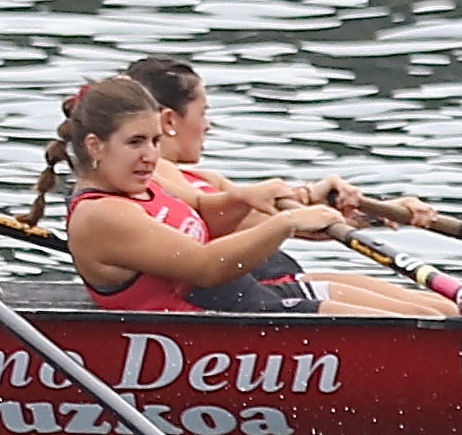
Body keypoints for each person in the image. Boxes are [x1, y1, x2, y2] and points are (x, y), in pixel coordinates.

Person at [41, 71, 423, 316]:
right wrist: (287, 221)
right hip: (230, 330)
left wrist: (248, 199)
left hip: (255, 304)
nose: (151, 155)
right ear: (95, 146)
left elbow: (206, 213)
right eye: (136, 142)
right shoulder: (101, 214)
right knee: (417, 324)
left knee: (435, 314)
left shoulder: (144, 181)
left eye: (155, 140)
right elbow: (206, 268)